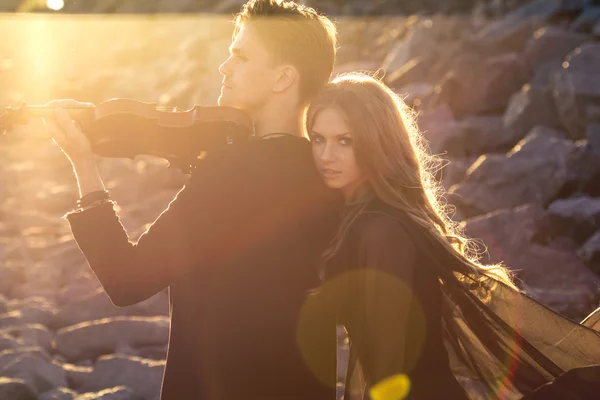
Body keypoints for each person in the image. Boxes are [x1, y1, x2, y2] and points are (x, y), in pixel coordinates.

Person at [12, 1, 344, 399]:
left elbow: (127, 279)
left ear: (282, 78)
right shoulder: (330, 173)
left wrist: (83, 164)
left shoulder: (230, 172)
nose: (224, 68)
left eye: (240, 56)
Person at [303, 72, 600, 400]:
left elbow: (388, 359)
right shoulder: (360, 216)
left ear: (376, 142)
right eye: (318, 139)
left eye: (345, 141)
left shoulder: (381, 230)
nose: (326, 155)